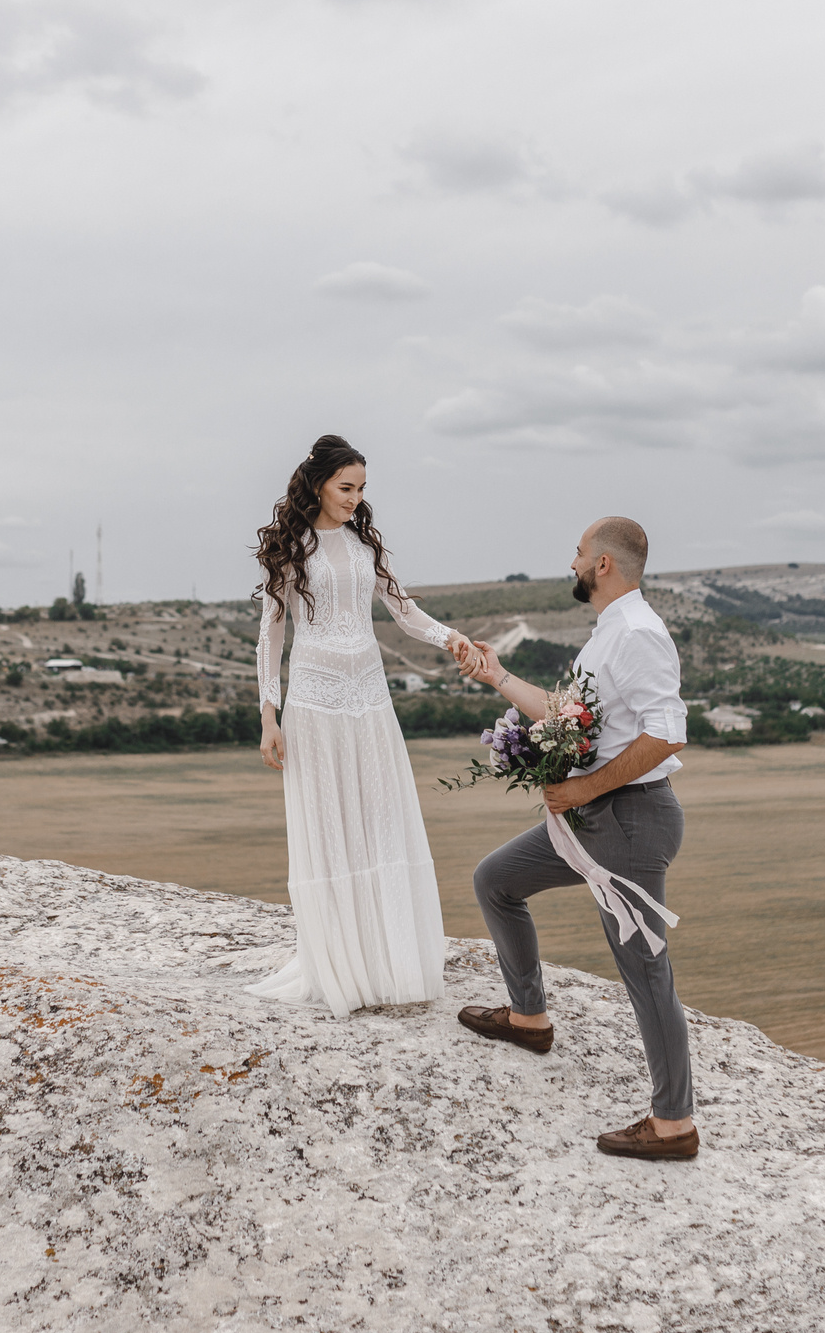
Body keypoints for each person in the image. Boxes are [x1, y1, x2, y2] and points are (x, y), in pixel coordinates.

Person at [456, 516, 698, 1161]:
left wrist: (585, 790)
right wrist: (499, 677)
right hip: (595, 817)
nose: (572, 562)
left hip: (627, 820)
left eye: (580, 554)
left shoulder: (639, 633)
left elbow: (669, 732)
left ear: (605, 565)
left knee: (645, 969)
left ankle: (673, 1124)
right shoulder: (610, 633)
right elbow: (571, 716)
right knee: (496, 881)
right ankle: (529, 1017)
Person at [249, 435, 476, 1014]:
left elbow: (404, 610)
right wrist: (268, 714)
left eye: (361, 490)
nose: (354, 499)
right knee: (330, 825)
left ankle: (388, 958)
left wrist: (449, 637)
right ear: (318, 483)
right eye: (345, 488)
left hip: (371, 699)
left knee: (380, 819)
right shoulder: (291, 548)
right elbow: (271, 634)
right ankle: (339, 963)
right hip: (316, 705)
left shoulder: (364, 546)